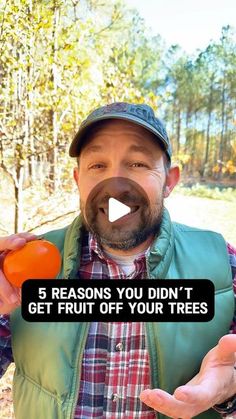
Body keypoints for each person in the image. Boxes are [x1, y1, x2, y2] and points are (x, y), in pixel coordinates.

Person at [0, 102, 236, 419]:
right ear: (77, 180)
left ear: (170, 180)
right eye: (97, 165)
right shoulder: (19, 269)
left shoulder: (224, 266)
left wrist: (227, 390)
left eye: (137, 164)